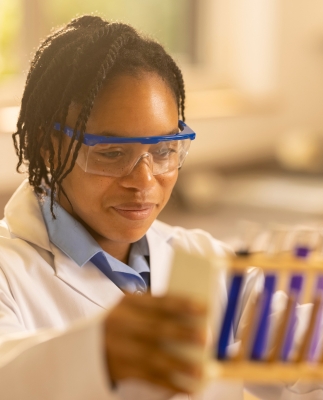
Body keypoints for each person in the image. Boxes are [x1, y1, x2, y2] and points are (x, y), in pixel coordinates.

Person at [0, 15, 242, 400]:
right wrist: (98, 354)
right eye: (111, 153)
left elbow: (318, 356)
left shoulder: (204, 259)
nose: (144, 182)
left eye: (163, 151)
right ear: (47, 146)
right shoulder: (7, 273)